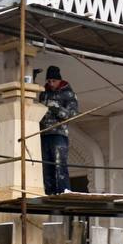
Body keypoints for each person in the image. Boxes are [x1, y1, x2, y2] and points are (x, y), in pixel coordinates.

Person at [37, 65, 78, 195]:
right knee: (46, 164)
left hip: (59, 133)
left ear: (59, 80)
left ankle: (63, 190)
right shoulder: (44, 92)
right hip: (44, 133)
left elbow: (72, 114)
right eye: (49, 81)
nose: (51, 84)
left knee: (59, 163)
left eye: (53, 81)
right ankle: (49, 191)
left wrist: (57, 109)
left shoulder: (68, 93)